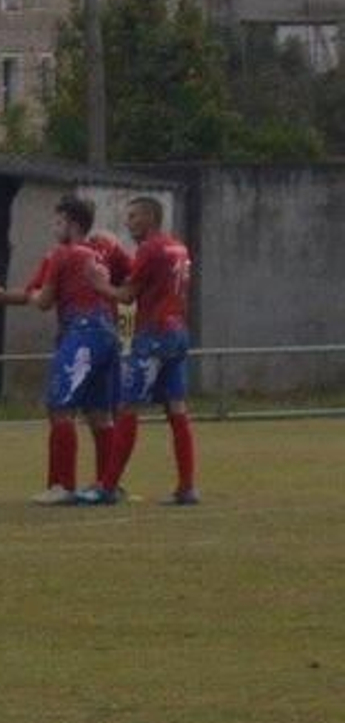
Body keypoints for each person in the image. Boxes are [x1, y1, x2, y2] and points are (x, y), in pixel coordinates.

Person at [83, 196, 199, 506]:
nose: (128, 222)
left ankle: (108, 486)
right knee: (177, 409)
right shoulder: (178, 247)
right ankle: (187, 486)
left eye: (133, 216)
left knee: (128, 408)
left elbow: (126, 295)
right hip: (178, 331)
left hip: (153, 334)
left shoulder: (150, 248)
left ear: (149, 218)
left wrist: (99, 283)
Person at [27, 196, 120, 506]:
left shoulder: (63, 254)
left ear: (71, 223)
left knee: (60, 406)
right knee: (99, 413)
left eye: (57, 222)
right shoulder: (102, 251)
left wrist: (31, 294)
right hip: (108, 331)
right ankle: (108, 484)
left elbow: (43, 301)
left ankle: (62, 485)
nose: (54, 228)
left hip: (82, 332)